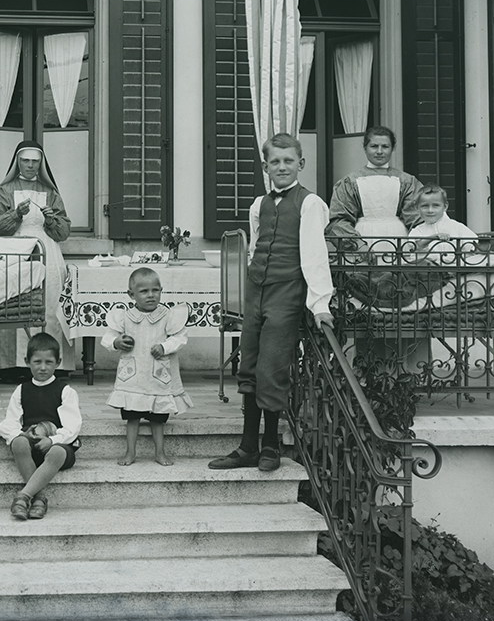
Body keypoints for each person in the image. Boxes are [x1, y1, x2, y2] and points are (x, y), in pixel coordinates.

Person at [209, 133, 333, 473]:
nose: (282, 167)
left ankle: (270, 446)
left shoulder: (310, 203)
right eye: (275, 162)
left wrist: (320, 304)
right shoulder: (258, 204)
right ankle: (247, 446)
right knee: (248, 366)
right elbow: (256, 247)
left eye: (288, 161)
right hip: (256, 293)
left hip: (286, 294)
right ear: (265, 167)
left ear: (300, 164)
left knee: (272, 369)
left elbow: (315, 256)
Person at [0, 140, 74, 381]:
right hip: (14, 249)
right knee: (12, 299)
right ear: (18, 162)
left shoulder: (51, 193)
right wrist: (15, 214)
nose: (31, 166)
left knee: (50, 302)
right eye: (26, 161)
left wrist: (51, 220)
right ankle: (10, 365)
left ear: (41, 164)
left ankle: (53, 363)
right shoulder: (4, 191)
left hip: (48, 251)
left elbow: (64, 232)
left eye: (35, 161)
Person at [102, 267, 193, 466]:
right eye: (144, 291)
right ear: (131, 294)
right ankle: (130, 452)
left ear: (161, 290)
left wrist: (165, 347)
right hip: (133, 377)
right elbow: (108, 337)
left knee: (157, 418)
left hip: (157, 376)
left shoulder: (168, 316)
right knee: (132, 417)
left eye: (155, 290)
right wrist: (117, 342)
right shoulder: (125, 317)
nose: (151, 295)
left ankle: (160, 452)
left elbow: (180, 338)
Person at [0, 333, 82, 521]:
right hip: (32, 446)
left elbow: (72, 427)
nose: (43, 367)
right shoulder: (22, 389)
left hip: (58, 446)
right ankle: (39, 498)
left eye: (49, 362)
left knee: (57, 452)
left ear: (58, 362)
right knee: (18, 442)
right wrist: (23, 435)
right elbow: (9, 422)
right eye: (37, 362)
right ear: (27, 362)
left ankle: (24, 496)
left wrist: (52, 440)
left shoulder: (65, 391)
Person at [361, 184, 481, 304]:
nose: (430, 210)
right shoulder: (418, 230)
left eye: (436, 206)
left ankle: (373, 286)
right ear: (417, 208)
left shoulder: (456, 226)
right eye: (425, 206)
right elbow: (415, 246)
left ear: (445, 207)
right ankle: (371, 284)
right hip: (421, 270)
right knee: (399, 272)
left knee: (404, 276)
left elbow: (473, 246)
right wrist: (433, 237)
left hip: (444, 272)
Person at [326, 126, 424, 246]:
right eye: (374, 146)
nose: (379, 151)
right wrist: (358, 246)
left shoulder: (406, 181)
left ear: (392, 148)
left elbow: (418, 218)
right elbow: (338, 221)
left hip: (398, 242)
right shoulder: (350, 182)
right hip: (362, 240)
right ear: (365, 148)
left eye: (385, 146)